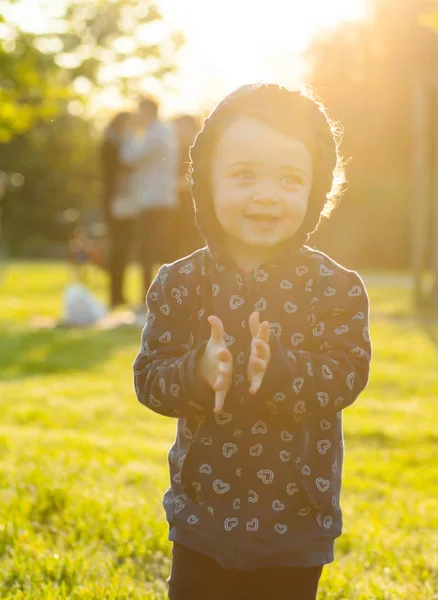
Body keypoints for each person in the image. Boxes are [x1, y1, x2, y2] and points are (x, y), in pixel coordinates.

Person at [133, 83, 372, 600]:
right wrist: (197, 369)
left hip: (297, 518)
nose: (267, 195)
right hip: (201, 516)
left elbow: (347, 374)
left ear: (316, 189)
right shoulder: (180, 283)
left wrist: (282, 369)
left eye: (289, 179)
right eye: (244, 175)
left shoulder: (336, 287)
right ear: (205, 184)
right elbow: (150, 377)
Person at [120, 97, 178, 304]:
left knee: (148, 250)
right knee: (157, 248)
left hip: (153, 201)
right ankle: (165, 295)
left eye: (139, 111)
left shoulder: (156, 135)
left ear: (148, 111)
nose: (137, 116)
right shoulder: (164, 132)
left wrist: (128, 133)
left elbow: (129, 157)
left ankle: (150, 298)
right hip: (160, 200)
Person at [101, 111, 138, 308]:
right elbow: (114, 171)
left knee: (123, 249)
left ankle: (119, 294)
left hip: (125, 202)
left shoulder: (122, 143)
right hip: (116, 201)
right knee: (117, 248)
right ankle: (114, 294)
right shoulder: (111, 144)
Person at [172, 115, 204, 257]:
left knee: (193, 244)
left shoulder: (199, 151)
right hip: (177, 204)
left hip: (192, 205)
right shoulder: (174, 151)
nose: (178, 132)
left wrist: (171, 184)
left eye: (182, 128)